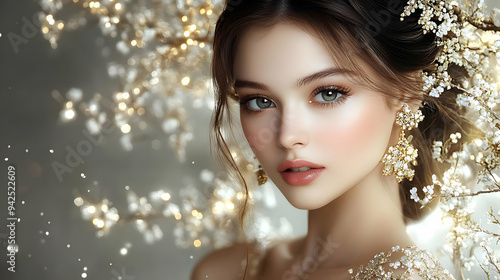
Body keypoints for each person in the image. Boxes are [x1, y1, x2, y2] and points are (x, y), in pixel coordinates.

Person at [192, 0, 476, 279]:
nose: (287, 137)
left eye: (328, 93)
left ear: (408, 93)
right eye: (260, 101)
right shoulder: (225, 270)